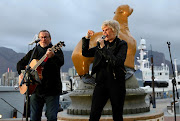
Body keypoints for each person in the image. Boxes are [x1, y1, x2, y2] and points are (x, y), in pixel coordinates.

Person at [82, 20, 128, 121]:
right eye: (103, 30)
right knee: (94, 113)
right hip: (101, 83)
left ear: (114, 30)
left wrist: (103, 48)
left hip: (116, 83)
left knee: (117, 114)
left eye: (106, 30)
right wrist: (87, 38)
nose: (104, 33)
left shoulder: (122, 44)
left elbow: (116, 62)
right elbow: (85, 53)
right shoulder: (101, 45)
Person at [17, 30, 64, 121]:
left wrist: (53, 56)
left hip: (52, 89)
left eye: (46, 37)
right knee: (34, 117)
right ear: (38, 39)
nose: (43, 39)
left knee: (51, 117)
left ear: (50, 39)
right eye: (41, 37)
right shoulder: (33, 51)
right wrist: (22, 72)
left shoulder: (56, 50)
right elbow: (20, 63)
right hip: (35, 89)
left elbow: (61, 62)